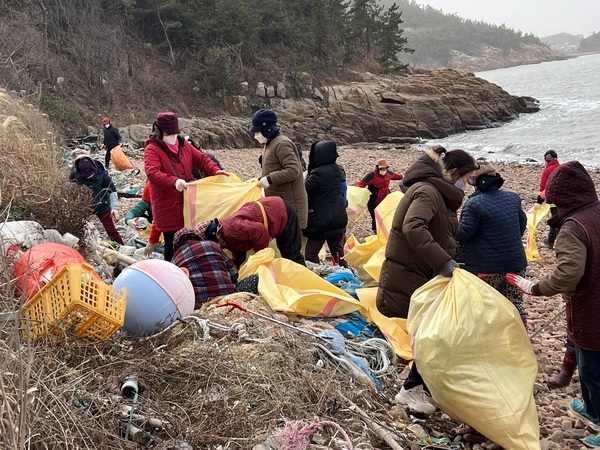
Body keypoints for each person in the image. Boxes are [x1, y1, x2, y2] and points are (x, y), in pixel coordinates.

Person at [376, 146, 479, 415]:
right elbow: (414, 227)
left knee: (432, 334)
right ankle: (410, 391)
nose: (465, 185)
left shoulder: (437, 194)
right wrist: (442, 261)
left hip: (422, 273)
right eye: (466, 179)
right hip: (413, 274)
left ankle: (419, 387)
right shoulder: (427, 191)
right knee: (431, 335)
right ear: (454, 173)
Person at [506, 161, 600, 447]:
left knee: (593, 368)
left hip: (590, 306)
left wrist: (534, 287)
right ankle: (593, 412)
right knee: (588, 362)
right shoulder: (596, 211)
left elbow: (569, 273)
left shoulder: (573, 227)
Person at [144, 111, 229, 262]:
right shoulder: (152, 149)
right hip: (167, 204)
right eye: (169, 134)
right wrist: (173, 181)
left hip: (188, 202)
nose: (173, 137)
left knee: (189, 238)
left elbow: (201, 159)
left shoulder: (184, 145)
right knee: (171, 241)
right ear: (159, 131)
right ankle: (171, 272)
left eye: (175, 133)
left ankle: (189, 268)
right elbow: (152, 172)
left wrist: (215, 170)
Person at [455, 164, 529, 327]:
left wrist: (450, 223)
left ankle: (491, 344)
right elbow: (522, 225)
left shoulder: (473, 204)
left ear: (477, 183)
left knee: (485, 307)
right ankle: (520, 340)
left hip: (486, 268)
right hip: (515, 264)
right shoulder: (513, 198)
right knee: (515, 304)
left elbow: (464, 234)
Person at [175, 196, 305, 268]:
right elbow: (240, 252)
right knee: (287, 252)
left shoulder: (230, 229)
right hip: (274, 210)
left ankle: (305, 280)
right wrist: (233, 267)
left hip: (280, 212)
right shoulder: (227, 237)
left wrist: (261, 257)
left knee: (291, 254)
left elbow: (260, 231)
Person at [250, 108, 308, 230]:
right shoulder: (269, 144)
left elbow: (293, 171)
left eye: (258, 132)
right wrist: (260, 179)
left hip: (291, 207)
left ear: (268, 129)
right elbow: (273, 168)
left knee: (291, 247)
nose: (256, 136)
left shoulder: (282, 144)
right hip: (280, 205)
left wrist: (269, 179)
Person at [303, 140, 349, 267]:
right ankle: (347, 275)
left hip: (321, 221)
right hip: (339, 218)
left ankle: (316, 278)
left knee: (311, 254)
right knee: (338, 252)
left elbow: (304, 190)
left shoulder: (317, 174)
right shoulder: (338, 170)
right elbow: (343, 191)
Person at [172, 232, 238, 308]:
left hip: (199, 307)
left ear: (176, 245)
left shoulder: (174, 261)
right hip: (227, 299)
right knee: (253, 279)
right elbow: (234, 273)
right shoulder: (213, 245)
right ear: (197, 237)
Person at [69, 155, 124, 245]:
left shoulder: (102, 175)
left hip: (102, 204)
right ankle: (81, 247)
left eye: (90, 174)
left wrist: (114, 208)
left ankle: (121, 247)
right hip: (84, 206)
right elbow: (70, 188)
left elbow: (112, 191)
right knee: (79, 229)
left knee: (111, 230)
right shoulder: (75, 174)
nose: (88, 176)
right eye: (86, 175)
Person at [357, 158, 404, 233]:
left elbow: (398, 176)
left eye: (385, 168)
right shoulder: (371, 175)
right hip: (373, 202)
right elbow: (361, 184)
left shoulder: (388, 173)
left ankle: (385, 232)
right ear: (378, 168)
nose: (384, 170)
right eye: (382, 168)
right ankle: (376, 233)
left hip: (385, 200)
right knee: (375, 218)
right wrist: (363, 194)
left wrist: (406, 176)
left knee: (386, 217)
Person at [536, 150, 560, 249]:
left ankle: (560, 242)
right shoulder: (562, 168)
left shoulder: (548, 170)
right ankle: (550, 241)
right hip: (565, 199)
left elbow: (543, 189)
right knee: (559, 218)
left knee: (555, 219)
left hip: (553, 199)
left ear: (547, 158)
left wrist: (538, 202)